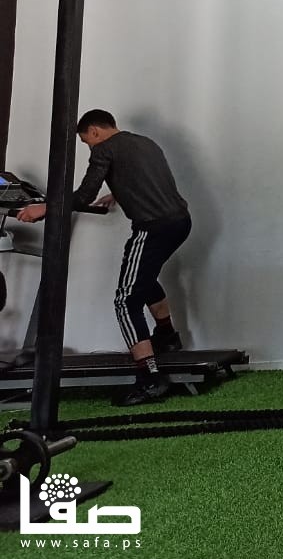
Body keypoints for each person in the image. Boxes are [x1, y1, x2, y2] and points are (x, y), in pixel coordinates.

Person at [16, 110, 192, 406]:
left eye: (86, 141)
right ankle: (167, 336)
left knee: (126, 300)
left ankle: (150, 378)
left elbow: (84, 194)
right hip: (180, 222)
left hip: (153, 227)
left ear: (95, 131)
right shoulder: (144, 142)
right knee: (143, 278)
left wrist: (45, 208)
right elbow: (150, 178)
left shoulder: (104, 149)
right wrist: (118, 193)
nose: (89, 147)